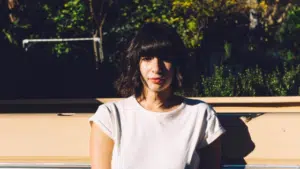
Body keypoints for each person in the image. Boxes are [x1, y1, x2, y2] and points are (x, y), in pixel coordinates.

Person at [89, 22, 226, 169]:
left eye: (165, 58)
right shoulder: (110, 116)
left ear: (177, 64)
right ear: (136, 64)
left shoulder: (199, 114)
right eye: (147, 58)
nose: (156, 68)